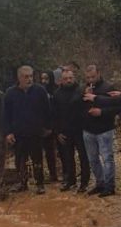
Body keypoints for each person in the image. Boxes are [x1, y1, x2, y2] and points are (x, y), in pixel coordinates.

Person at [1, 65, 51, 193]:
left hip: (35, 132)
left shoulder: (40, 91)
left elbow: (47, 111)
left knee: (37, 159)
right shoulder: (10, 93)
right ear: (19, 78)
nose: (29, 79)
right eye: (26, 77)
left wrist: (48, 127)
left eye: (31, 76)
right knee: (20, 160)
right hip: (18, 133)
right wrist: (8, 132)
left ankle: (40, 184)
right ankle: (22, 183)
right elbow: (6, 114)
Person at [81, 63, 119, 197]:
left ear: (99, 74)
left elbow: (116, 108)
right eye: (88, 77)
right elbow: (79, 107)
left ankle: (109, 187)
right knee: (93, 159)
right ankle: (100, 183)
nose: (91, 80)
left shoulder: (108, 87)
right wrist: (84, 96)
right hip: (88, 130)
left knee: (107, 158)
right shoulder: (85, 88)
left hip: (104, 130)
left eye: (93, 77)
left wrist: (101, 112)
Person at [52, 64, 90, 192]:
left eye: (70, 78)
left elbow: (87, 109)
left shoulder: (82, 90)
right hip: (64, 132)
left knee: (83, 157)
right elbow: (54, 115)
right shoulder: (56, 94)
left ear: (74, 78)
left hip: (80, 130)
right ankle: (70, 180)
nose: (69, 80)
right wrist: (57, 132)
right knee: (67, 158)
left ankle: (84, 183)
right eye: (66, 78)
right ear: (61, 80)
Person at [38, 70, 59, 183]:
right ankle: (40, 176)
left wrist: (51, 127)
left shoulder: (55, 90)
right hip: (38, 127)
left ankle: (54, 174)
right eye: (42, 78)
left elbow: (56, 110)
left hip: (52, 126)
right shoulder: (37, 91)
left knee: (51, 153)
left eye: (46, 78)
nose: (44, 81)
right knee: (38, 154)